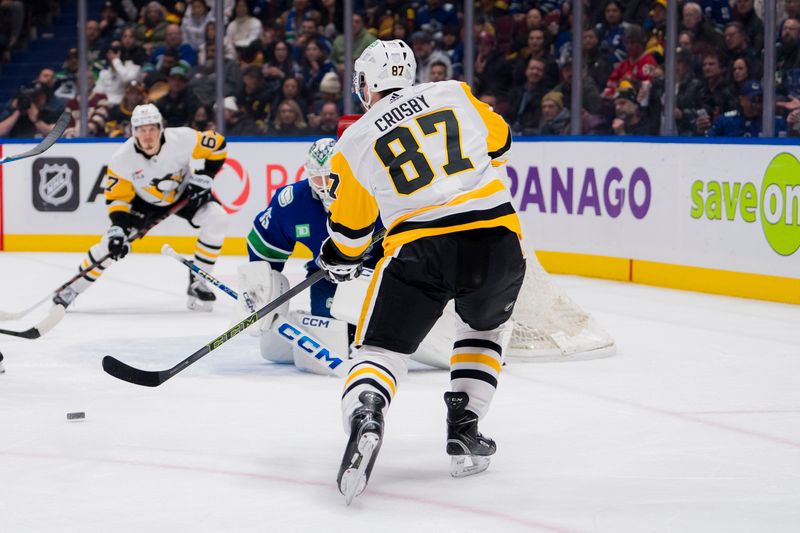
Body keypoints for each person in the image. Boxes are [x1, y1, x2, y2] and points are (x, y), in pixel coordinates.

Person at [318, 40, 525, 504]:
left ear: (367, 83)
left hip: (420, 249)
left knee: (378, 350)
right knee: (484, 328)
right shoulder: (453, 92)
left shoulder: (352, 140)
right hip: (496, 240)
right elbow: (502, 143)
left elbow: (351, 236)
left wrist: (338, 255)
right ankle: (464, 430)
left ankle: (368, 414)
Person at [52, 104, 229, 312]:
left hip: (184, 192)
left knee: (218, 218)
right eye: (141, 130)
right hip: (142, 202)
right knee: (110, 244)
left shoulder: (183, 138)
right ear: (133, 131)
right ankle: (73, 288)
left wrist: (207, 175)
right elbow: (118, 198)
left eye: (152, 129)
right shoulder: (122, 159)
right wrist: (118, 228)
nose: (147, 135)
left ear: (161, 128)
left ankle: (199, 280)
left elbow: (218, 144)